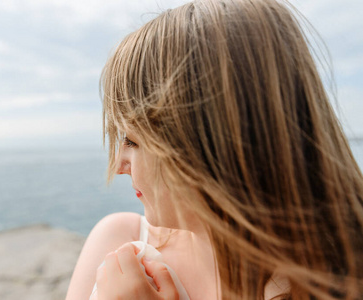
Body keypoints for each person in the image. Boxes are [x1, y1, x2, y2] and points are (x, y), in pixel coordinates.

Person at [66, 0, 363, 299]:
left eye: (132, 141)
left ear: (206, 143)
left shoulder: (338, 282)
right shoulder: (120, 239)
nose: (119, 165)